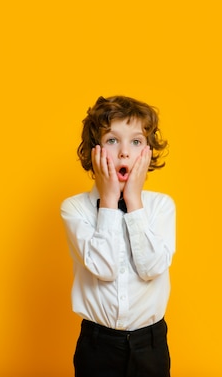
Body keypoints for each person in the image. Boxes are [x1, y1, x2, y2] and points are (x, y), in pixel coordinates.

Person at [60, 95, 175, 377]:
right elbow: (104, 268)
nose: (124, 152)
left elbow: (152, 268)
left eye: (135, 141)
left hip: (150, 345)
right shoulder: (75, 208)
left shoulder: (161, 206)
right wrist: (109, 200)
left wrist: (133, 200)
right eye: (113, 140)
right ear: (94, 150)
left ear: (147, 152)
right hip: (98, 346)